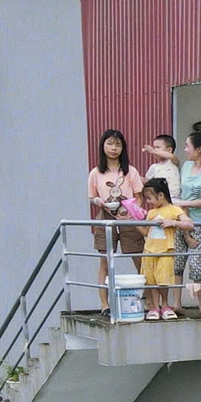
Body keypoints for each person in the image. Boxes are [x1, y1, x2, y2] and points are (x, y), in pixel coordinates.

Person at [87, 129, 144, 304]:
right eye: (110, 143)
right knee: (104, 262)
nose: (114, 148)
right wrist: (98, 201)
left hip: (130, 220)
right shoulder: (96, 173)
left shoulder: (130, 171)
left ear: (123, 148)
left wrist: (134, 212)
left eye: (118, 144)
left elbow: (139, 196)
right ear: (103, 146)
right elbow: (92, 197)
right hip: (105, 218)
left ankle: (148, 301)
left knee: (140, 260)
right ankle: (105, 304)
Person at [177, 131, 201, 318]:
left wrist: (183, 204)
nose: (185, 150)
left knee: (197, 265)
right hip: (182, 219)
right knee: (177, 263)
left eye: (187, 146)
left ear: (199, 149)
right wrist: (182, 212)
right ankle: (176, 303)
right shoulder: (185, 166)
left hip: (200, 222)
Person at [137, 179, 188, 319]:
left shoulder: (174, 209)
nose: (148, 201)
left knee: (163, 279)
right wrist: (133, 221)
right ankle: (154, 307)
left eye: (150, 198)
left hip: (166, 250)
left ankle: (165, 305)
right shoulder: (151, 212)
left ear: (161, 195)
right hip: (149, 250)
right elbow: (147, 232)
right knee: (151, 280)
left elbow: (189, 224)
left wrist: (174, 222)